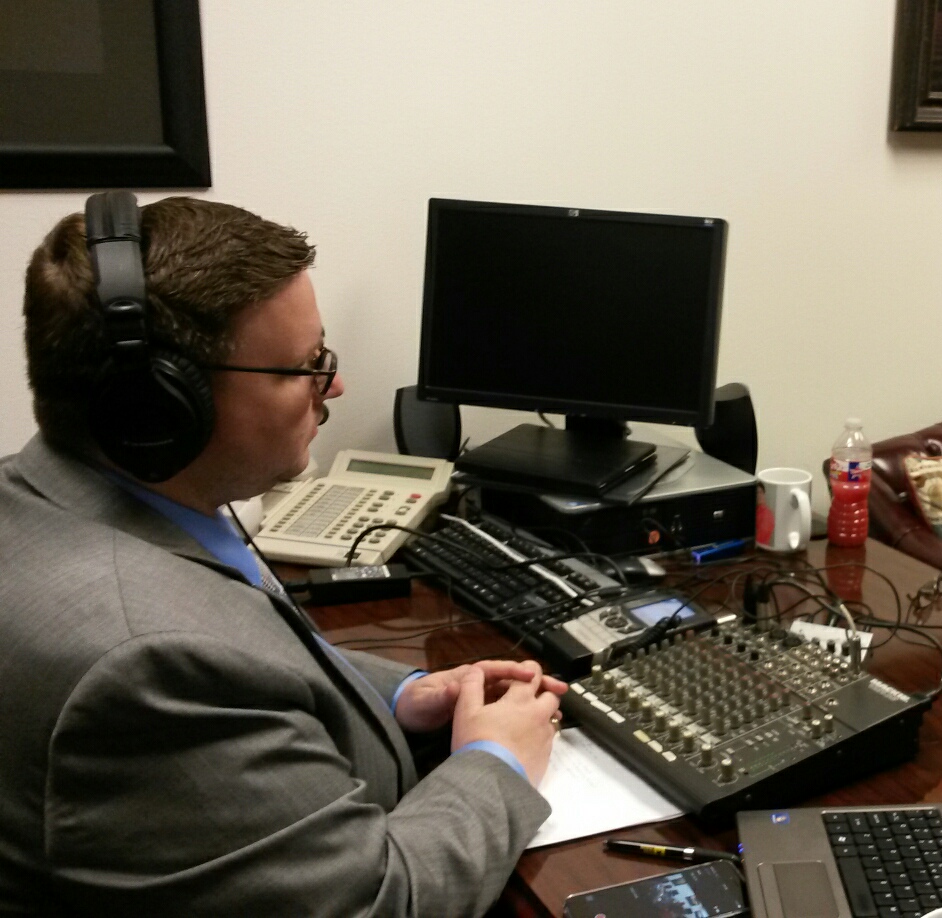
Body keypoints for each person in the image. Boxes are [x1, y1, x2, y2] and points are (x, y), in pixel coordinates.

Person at [0, 193, 566, 915]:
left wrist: (397, 695)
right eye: (304, 366)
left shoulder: (41, 498)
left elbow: (241, 646)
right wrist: (499, 761)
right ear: (160, 406)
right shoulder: (145, 667)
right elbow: (377, 901)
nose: (336, 385)